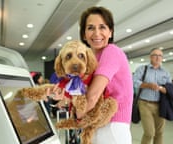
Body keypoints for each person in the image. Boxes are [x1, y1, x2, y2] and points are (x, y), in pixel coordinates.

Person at [50, 6, 134, 144]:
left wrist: (78, 118)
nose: (96, 33)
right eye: (90, 28)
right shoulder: (93, 58)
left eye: (102, 27)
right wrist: (64, 97)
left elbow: (93, 96)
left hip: (111, 128)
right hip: (100, 126)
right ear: (84, 34)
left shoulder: (111, 51)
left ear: (110, 32)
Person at [133, 48, 171, 144]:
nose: (157, 57)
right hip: (145, 104)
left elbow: (170, 89)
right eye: (155, 55)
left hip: (161, 105)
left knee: (159, 133)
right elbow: (134, 82)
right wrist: (148, 85)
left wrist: (163, 89)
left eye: (160, 56)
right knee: (149, 133)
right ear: (150, 57)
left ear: (162, 58)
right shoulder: (142, 69)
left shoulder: (165, 72)